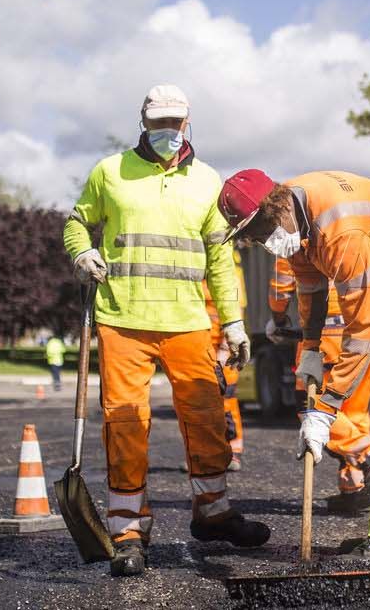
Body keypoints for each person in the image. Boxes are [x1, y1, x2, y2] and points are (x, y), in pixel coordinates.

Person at [64, 84, 270, 577]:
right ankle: (129, 531)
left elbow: (220, 259)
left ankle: (213, 512)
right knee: (127, 426)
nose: (168, 132)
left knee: (205, 422)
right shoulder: (109, 173)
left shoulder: (207, 182)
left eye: (175, 123)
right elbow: (76, 223)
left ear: (188, 123)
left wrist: (235, 322)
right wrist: (81, 252)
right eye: (159, 124)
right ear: (144, 122)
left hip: (188, 324)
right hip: (122, 322)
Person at [218, 169, 370, 560]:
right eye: (253, 237)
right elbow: (312, 294)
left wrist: (325, 410)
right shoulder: (298, 225)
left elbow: (361, 334)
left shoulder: (339, 231)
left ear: (276, 207)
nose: (262, 242)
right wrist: (311, 351)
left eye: (261, 230)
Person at [268, 256, 370, 514]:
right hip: (366, 332)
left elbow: (283, 280)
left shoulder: (298, 229)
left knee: (311, 407)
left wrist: (278, 317)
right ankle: (355, 490)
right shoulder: (361, 224)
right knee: (354, 413)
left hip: (325, 335)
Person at [203, 251, 246, 472]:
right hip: (202, 349)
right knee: (200, 403)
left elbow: (235, 311)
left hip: (222, 348)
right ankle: (209, 453)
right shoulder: (200, 269)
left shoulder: (227, 264)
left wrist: (224, 349)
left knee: (225, 399)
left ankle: (233, 451)